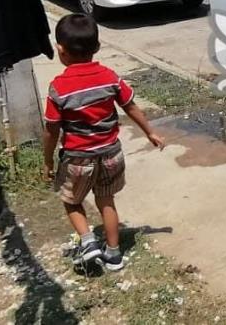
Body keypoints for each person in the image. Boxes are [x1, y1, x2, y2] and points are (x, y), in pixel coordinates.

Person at [43, 14, 165, 270]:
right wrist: (150, 132)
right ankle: (114, 254)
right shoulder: (109, 77)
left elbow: (51, 130)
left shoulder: (59, 88)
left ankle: (88, 241)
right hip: (111, 154)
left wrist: (47, 161)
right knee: (106, 200)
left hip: (78, 157)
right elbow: (130, 106)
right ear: (97, 48)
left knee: (71, 200)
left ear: (60, 50)